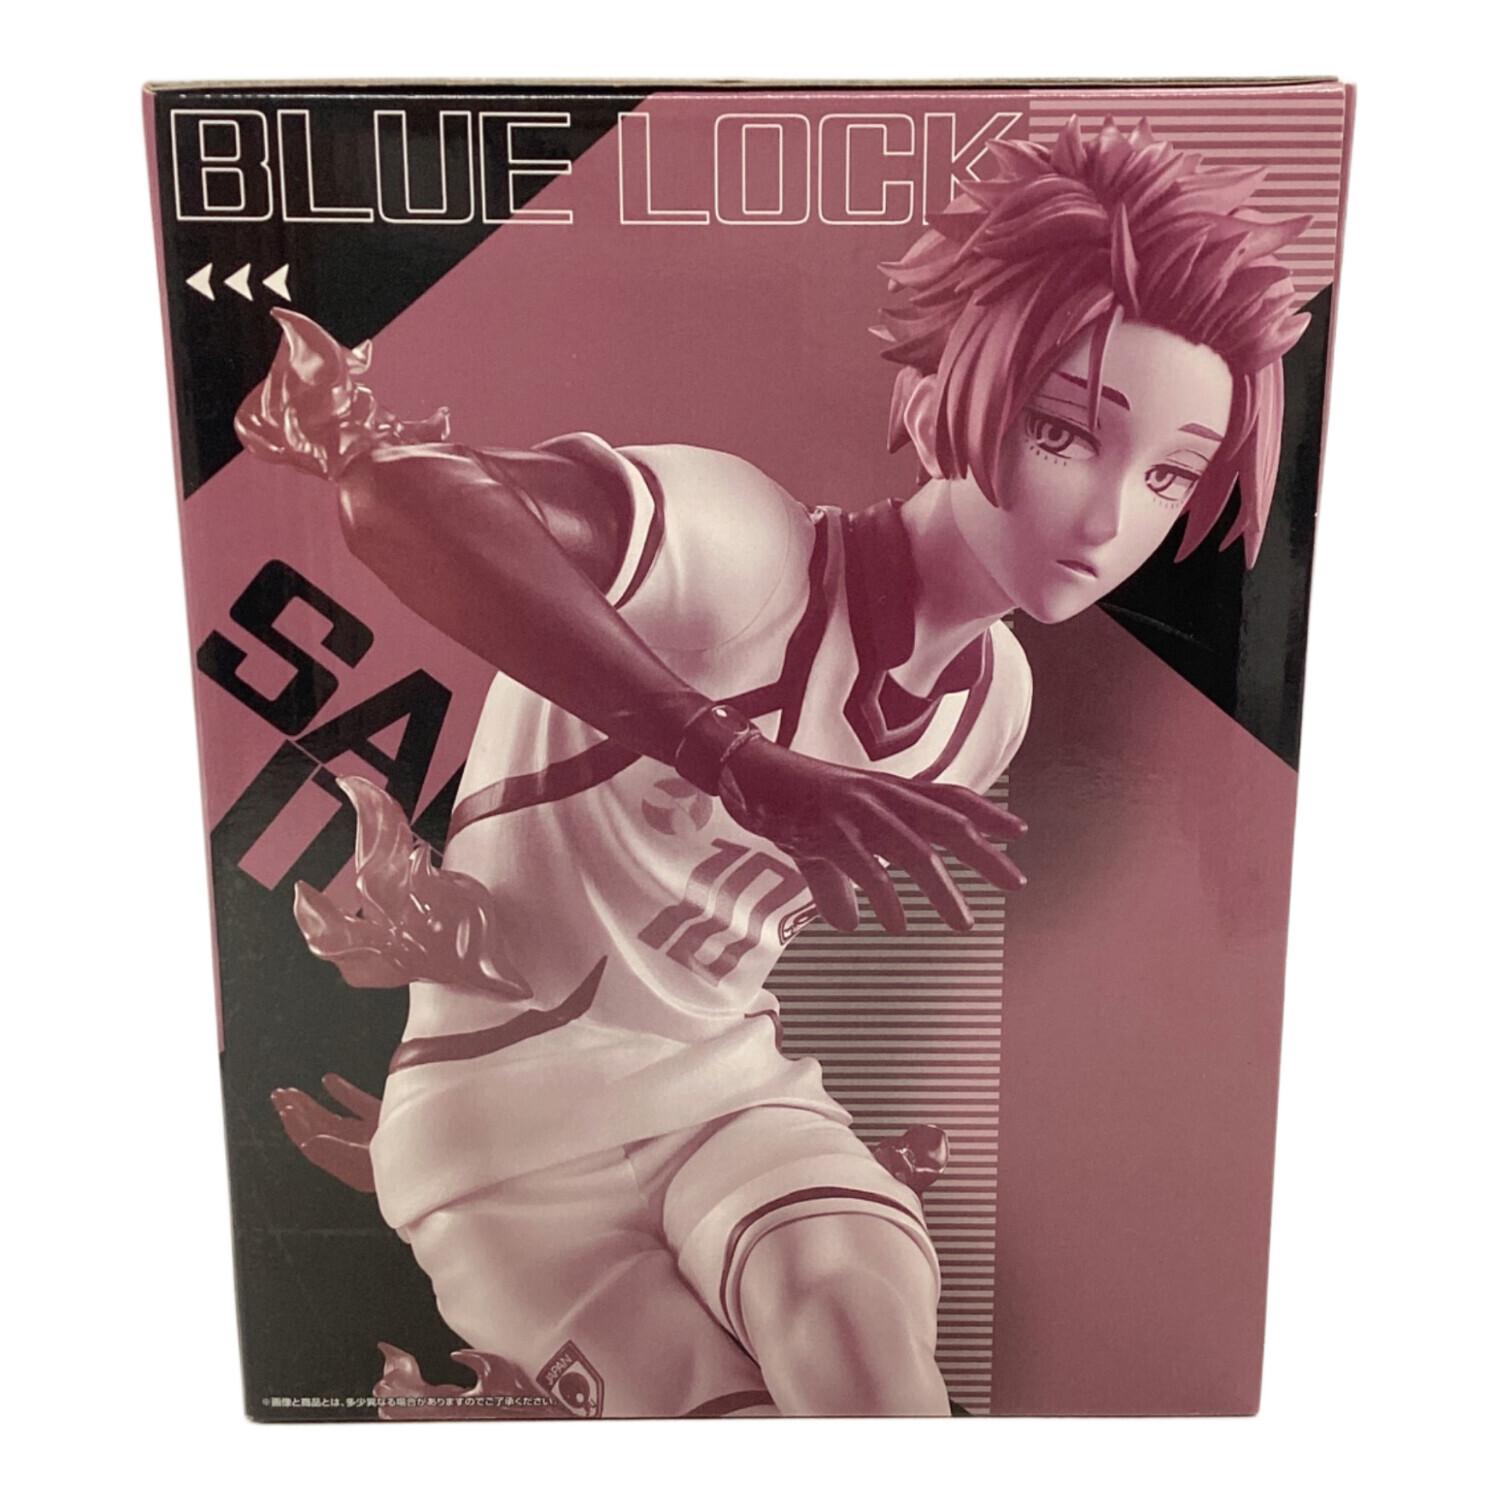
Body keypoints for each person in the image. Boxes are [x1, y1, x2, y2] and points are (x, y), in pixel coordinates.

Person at [245, 117, 1311, 1419]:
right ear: (961, 382)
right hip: (508, 1149)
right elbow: (400, 500)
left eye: (1171, 475)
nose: (1109, 518)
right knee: (726, 1427)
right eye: (1066, 431)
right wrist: (727, 755)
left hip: (732, 1098)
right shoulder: (741, 549)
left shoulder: (994, 703)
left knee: (862, 1358)